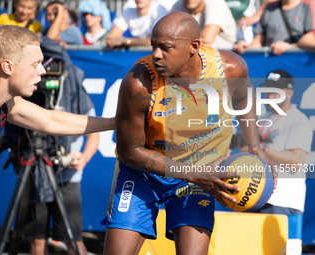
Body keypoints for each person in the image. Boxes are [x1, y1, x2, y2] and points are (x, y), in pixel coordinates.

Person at [101, 12, 275, 255]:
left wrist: (254, 145)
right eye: (153, 46)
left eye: (166, 48)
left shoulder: (230, 68)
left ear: (194, 46)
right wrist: (196, 174)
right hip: (144, 172)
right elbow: (131, 152)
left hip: (199, 170)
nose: (156, 54)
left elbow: (244, 98)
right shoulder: (139, 82)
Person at [0, 34, 99, 254]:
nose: (43, 72)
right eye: (36, 65)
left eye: (43, 64)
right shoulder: (13, 94)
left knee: (72, 239)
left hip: (65, 173)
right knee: (36, 239)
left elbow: (53, 121)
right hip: (31, 167)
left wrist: (84, 157)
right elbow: (16, 120)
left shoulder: (71, 80)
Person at [0, 24, 113, 171]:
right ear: (8, 67)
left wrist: (116, 122)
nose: (43, 70)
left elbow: (49, 120)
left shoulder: (4, 102)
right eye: (35, 64)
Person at [254, 70, 312, 255]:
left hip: (284, 199)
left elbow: (296, 162)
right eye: (268, 90)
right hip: (256, 195)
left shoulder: (298, 120)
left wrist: (261, 150)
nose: (270, 95)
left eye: (275, 91)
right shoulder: (261, 119)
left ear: (289, 93)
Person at [234, 0, 315, 55]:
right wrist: (246, 47)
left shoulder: (306, 8)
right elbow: (258, 41)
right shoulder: (269, 8)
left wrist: (290, 47)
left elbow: (309, 40)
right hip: (271, 64)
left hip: (296, 64)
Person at [170, 0, 237, 49]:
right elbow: (168, 34)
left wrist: (175, 43)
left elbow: (206, 40)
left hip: (235, 56)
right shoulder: (179, 5)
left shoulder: (216, 3)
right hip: (203, 58)